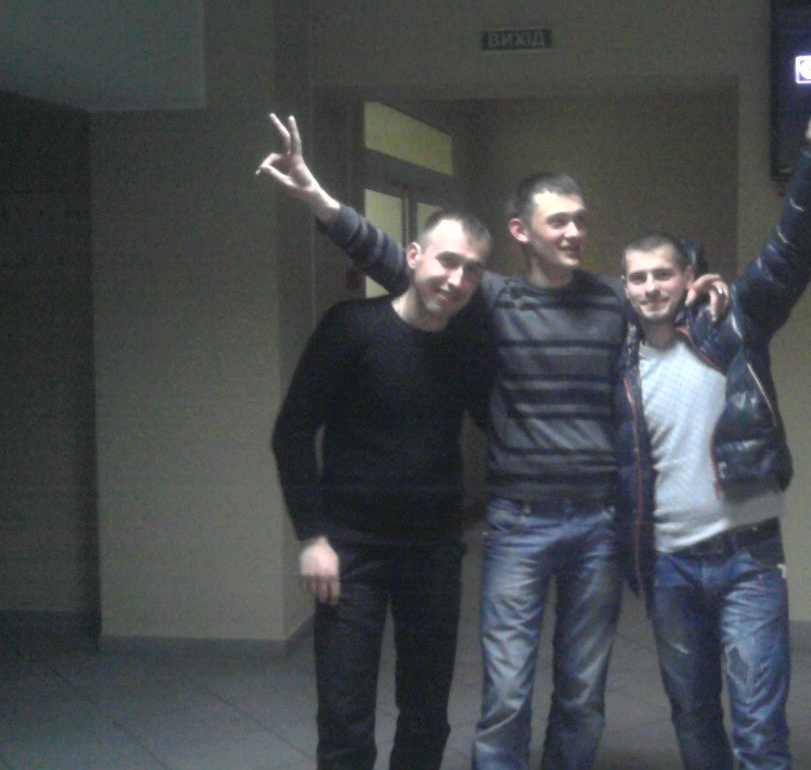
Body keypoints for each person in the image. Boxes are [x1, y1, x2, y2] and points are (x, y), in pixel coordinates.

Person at [259, 113, 727, 770]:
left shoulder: (613, 301)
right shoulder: (490, 302)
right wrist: (317, 197)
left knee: (578, 696)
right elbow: (394, 260)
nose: (574, 231)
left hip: (590, 524)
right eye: (558, 221)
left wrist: (704, 285)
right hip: (514, 523)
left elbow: (666, 297)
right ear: (521, 231)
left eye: (581, 220)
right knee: (500, 696)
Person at [613, 112, 811, 770]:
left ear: (688, 274)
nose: (650, 287)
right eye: (637, 278)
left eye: (663, 274)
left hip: (749, 559)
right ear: (624, 287)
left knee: (758, 727)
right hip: (669, 568)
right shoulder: (617, 362)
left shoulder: (735, 320)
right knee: (692, 714)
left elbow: (791, 252)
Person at [267, 120, 494, 768]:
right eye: (446, 260)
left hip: (434, 553)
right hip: (350, 552)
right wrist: (312, 537)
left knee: (426, 713)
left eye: (471, 270)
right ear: (413, 256)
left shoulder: (468, 345)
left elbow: (502, 424)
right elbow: (291, 432)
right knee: (345, 716)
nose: (456, 278)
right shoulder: (351, 328)